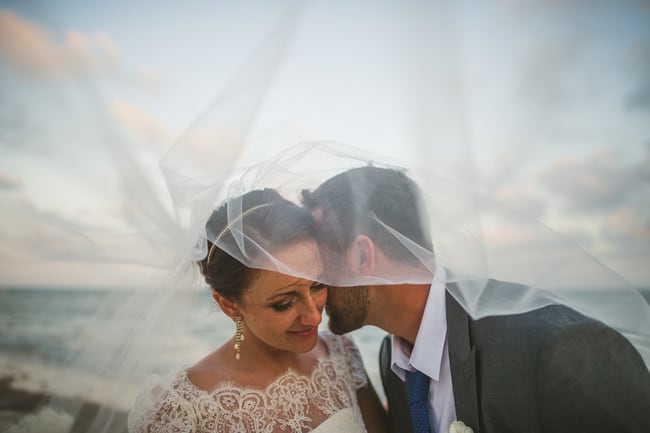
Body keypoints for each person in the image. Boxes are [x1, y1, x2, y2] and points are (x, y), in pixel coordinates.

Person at [301, 166, 650, 433]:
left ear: (363, 256)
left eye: (321, 260)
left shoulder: (558, 350)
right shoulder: (389, 358)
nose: (312, 279)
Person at [127, 188, 388, 433]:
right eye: (284, 303)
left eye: (318, 285)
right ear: (228, 304)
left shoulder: (341, 353)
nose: (315, 316)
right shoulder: (180, 411)